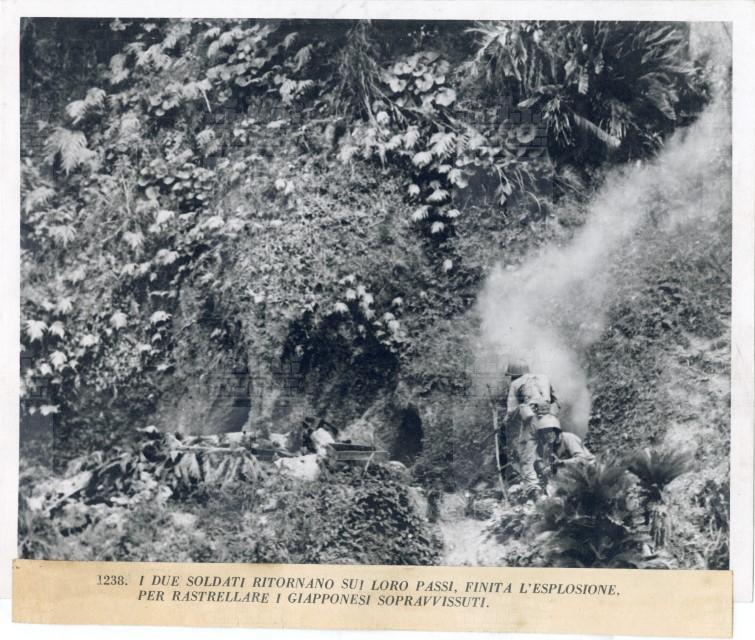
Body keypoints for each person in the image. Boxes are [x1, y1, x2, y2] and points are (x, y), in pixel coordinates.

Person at [502, 359, 561, 494]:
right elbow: (557, 401)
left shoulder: (516, 384)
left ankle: (533, 489)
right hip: (551, 420)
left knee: (526, 456)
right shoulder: (544, 378)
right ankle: (554, 484)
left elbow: (511, 411)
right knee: (549, 453)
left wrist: (505, 422)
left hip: (533, 421)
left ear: (514, 374)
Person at [532, 414, 595, 493]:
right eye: (545, 432)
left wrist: (561, 462)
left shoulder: (568, 438)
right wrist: (549, 469)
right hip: (574, 475)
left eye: (550, 431)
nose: (548, 435)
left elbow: (582, 460)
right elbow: (548, 469)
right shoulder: (548, 448)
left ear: (556, 431)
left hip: (590, 471)